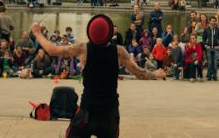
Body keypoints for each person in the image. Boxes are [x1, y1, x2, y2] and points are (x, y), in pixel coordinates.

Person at [31, 15, 165, 138]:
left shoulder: (83, 49)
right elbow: (139, 73)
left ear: (90, 33)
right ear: (109, 34)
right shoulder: (119, 51)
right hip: (109, 113)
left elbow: (52, 50)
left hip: (87, 112)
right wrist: (155, 74)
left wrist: (37, 33)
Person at [203, 16, 219, 81]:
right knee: (210, 63)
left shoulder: (218, 29)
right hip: (208, 48)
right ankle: (209, 75)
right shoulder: (206, 29)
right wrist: (205, 45)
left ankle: (214, 76)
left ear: (215, 22)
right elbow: (204, 38)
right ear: (210, 21)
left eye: (214, 21)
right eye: (212, 21)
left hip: (216, 48)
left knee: (215, 63)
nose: (213, 22)